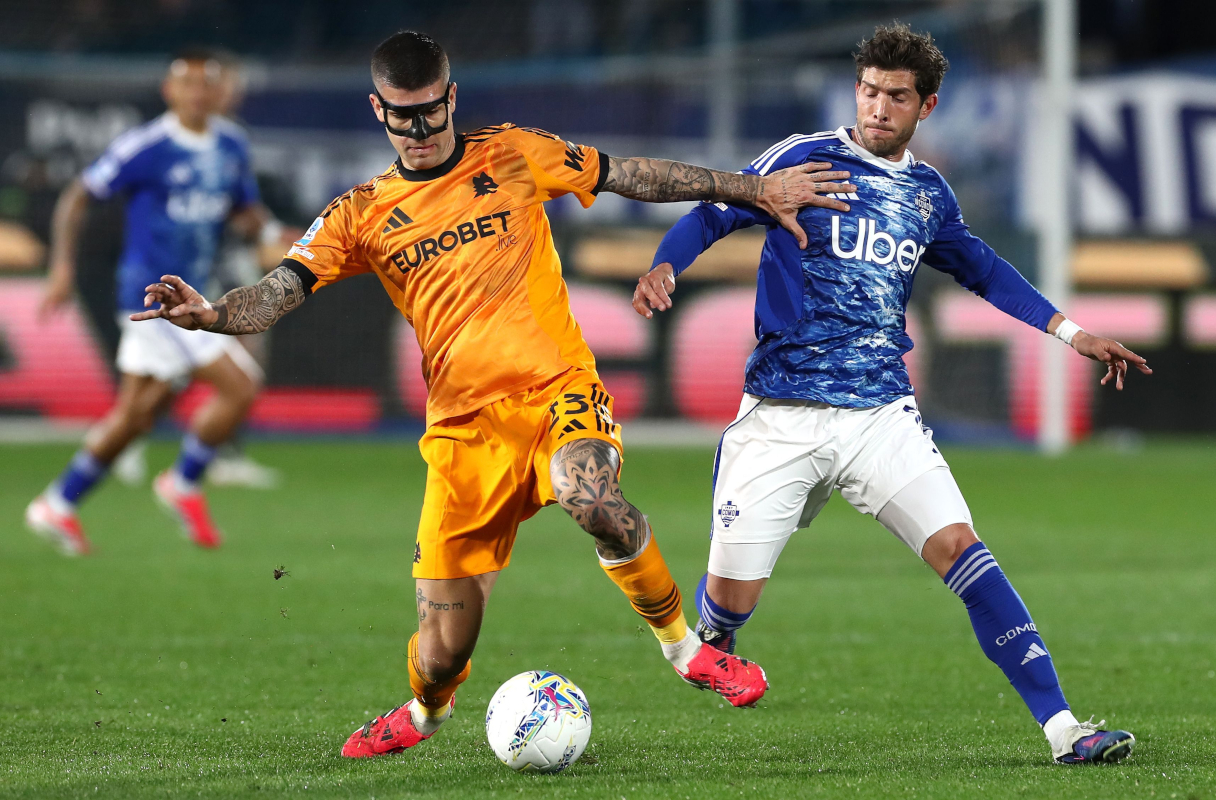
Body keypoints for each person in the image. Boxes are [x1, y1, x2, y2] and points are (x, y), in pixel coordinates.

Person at [131, 30, 854, 758]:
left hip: (555, 390)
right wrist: (217, 314)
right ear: (376, 111)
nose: (416, 130)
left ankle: (688, 651)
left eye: (428, 112)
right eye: (399, 116)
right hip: (461, 433)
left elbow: (632, 173)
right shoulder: (360, 212)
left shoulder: (511, 151)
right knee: (443, 651)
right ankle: (423, 712)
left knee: (591, 496)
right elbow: (282, 289)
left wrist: (751, 187)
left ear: (450, 98)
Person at [633, 23, 1150, 765]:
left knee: (966, 554)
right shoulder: (803, 158)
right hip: (780, 417)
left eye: (896, 97)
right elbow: (716, 210)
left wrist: (1072, 333)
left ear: (926, 106)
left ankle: (1065, 729)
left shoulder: (928, 193)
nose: (878, 107)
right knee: (723, 615)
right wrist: (664, 267)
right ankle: (715, 638)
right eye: (870, 91)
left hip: (881, 417)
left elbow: (984, 270)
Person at [26, 50, 276, 554]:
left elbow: (244, 212)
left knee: (137, 414)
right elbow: (78, 196)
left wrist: (272, 232)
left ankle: (58, 502)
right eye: (188, 84)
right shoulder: (147, 146)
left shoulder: (230, 144)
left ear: (219, 90)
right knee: (241, 386)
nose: (199, 93)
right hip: (155, 298)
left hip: (192, 293)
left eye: (208, 84)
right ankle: (183, 483)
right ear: (170, 91)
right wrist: (61, 267)